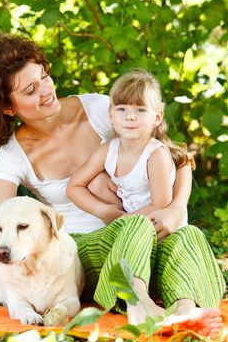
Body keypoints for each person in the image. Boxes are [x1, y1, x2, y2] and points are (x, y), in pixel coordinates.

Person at [0, 34, 225, 338]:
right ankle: (139, 307)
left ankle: (183, 313)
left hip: (141, 245)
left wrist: (175, 209)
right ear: (8, 107)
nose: (46, 91)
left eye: (44, 77)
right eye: (30, 90)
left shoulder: (101, 110)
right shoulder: (11, 157)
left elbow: (179, 159)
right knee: (135, 225)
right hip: (83, 254)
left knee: (187, 234)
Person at [67, 69, 190, 229]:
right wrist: (104, 211)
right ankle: (121, 231)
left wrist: (121, 221)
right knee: (96, 183)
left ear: (157, 117)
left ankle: (121, 233)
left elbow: (161, 205)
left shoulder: (155, 155)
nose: (130, 116)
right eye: (121, 109)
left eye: (140, 110)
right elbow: (74, 186)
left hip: (160, 226)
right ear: (111, 116)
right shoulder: (108, 150)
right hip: (129, 217)